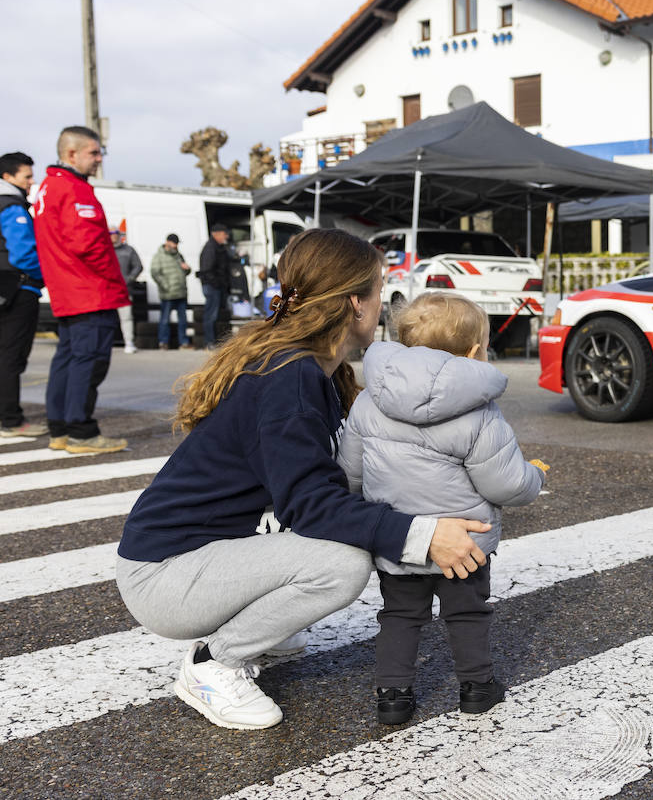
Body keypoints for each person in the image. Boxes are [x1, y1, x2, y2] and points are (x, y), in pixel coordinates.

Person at [115, 228, 493, 731]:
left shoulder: (309, 368)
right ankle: (213, 665)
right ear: (355, 303)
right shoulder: (290, 378)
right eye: (380, 291)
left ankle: (259, 631)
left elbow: (328, 485)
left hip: (193, 558)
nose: (384, 306)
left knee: (337, 546)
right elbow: (312, 507)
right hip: (164, 575)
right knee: (341, 564)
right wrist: (422, 537)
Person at [339, 293, 546, 725]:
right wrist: (536, 477)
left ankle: (393, 696)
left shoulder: (367, 401)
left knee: (399, 615)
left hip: (398, 538)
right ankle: (476, 687)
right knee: (467, 613)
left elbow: (350, 473)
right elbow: (505, 483)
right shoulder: (479, 412)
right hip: (465, 542)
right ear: (473, 352)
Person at [31, 126, 129, 455]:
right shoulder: (75, 189)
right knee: (89, 361)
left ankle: (60, 428)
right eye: (95, 152)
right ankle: (81, 431)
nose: (99, 159)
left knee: (68, 359)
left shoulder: (47, 187)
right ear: (72, 154)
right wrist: (116, 281)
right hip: (89, 289)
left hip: (66, 289)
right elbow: (88, 244)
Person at [0, 152, 46, 438]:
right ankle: (11, 420)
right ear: (8, 177)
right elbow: (24, 253)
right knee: (11, 356)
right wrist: (45, 275)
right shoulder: (12, 206)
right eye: (27, 176)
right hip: (18, 288)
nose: (32, 181)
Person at [149, 233, 191, 350]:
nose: (176, 246)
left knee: (183, 320)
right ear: (168, 242)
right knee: (165, 319)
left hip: (181, 293)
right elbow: (155, 273)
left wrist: (187, 269)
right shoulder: (159, 256)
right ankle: (163, 342)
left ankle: (184, 342)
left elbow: (184, 271)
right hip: (168, 294)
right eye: (174, 243)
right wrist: (166, 286)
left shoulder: (178, 255)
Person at [198, 224, 231, 349]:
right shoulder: (210, 248)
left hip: (216, 286)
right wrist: (217, 283)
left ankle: (214, 340)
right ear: (215, 233)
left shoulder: (219, 247)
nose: (226, 236)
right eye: (224, 233)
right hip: (212, 286)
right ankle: (209, 341)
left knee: (216, 315)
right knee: (211, 315)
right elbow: (207, 270)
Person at [111, 227, 143, 354]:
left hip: (124, 290)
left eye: (114, 233)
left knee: (126, 317)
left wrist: (129, 279)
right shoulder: (103, 249)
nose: (112, 236)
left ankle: (129, 342)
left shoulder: (128, 250)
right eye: (110, 233)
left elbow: (138, 266)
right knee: (106, 319)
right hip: (107, 291)